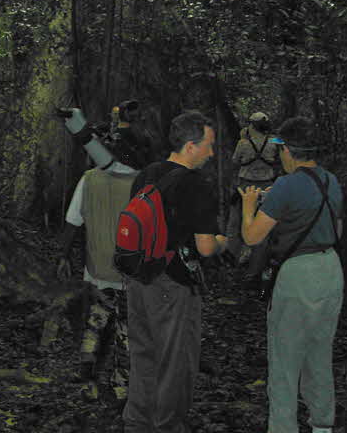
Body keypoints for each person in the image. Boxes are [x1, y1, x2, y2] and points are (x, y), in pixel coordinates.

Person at [122, 110, 228, 433]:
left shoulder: (145, 174)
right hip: (173, 283)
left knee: (143, 355)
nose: (211, 154)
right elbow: (206, 247)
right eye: (208, 146)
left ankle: (137, 423)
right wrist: (226, 242)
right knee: (176, 361)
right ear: (191, 146)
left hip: (139, 279)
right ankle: (168, 426)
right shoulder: (196, 185)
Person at [238, 117, 343, 433]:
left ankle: (283, 428)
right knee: (319, 352)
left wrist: (248, 206)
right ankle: (323, 425)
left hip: (297, 273)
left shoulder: (285, 185)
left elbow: (253, 237)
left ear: (286, 150)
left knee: (285, 359)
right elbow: (337, 230)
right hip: (330, 270)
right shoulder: (331, 181)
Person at [57, 157, 137, 402]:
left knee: (94, 324)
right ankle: (120, 388)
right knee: (126, 331)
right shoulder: (144, 182)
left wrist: (62, 256)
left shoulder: (90, 178)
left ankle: (87, 380)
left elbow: (72, 223)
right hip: (130, 274)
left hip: (97, 271)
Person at [230, 112, 279, 280]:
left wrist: (244, 138)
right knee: (265, 227)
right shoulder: (273, 141)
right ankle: (257, 268)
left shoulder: (243, 143)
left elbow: (235, 161)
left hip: (246, 187)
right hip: (268, 186)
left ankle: (238, 261)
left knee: (240, 222)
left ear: (251, 125)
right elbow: (282, 147)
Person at [107, 99, 154, 171]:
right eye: (129, 110)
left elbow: (147, 144)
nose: (134, 113)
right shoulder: (118, 131)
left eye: (133, 110)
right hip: (131, 167)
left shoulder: (138, 127)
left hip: (144, 164)